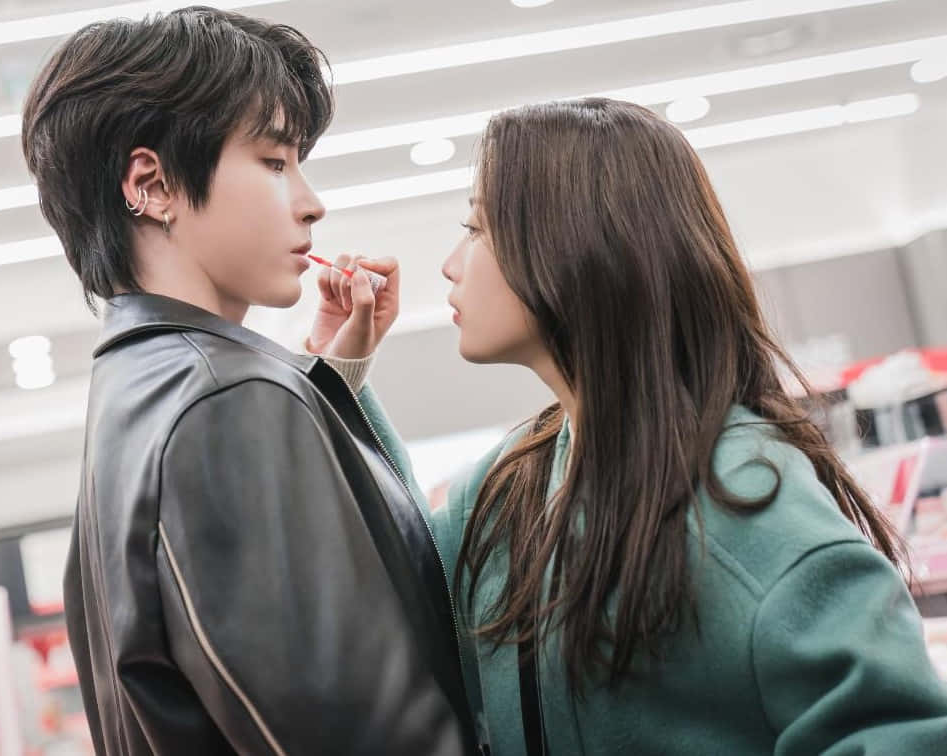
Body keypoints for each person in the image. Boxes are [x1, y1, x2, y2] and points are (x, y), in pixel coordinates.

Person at [349, 97, 947, 754]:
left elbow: (900, 735)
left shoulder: (744, 505)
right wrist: (341, 379)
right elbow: (400, 597)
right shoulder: (513, 483)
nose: (450, 264)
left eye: (476, 228)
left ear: (570, 247)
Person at [20, 7, 477, 754]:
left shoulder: (139, 386)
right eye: (273, 161)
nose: (310, 200)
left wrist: (322, 381)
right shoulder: (227, 397)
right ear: (153, 183)